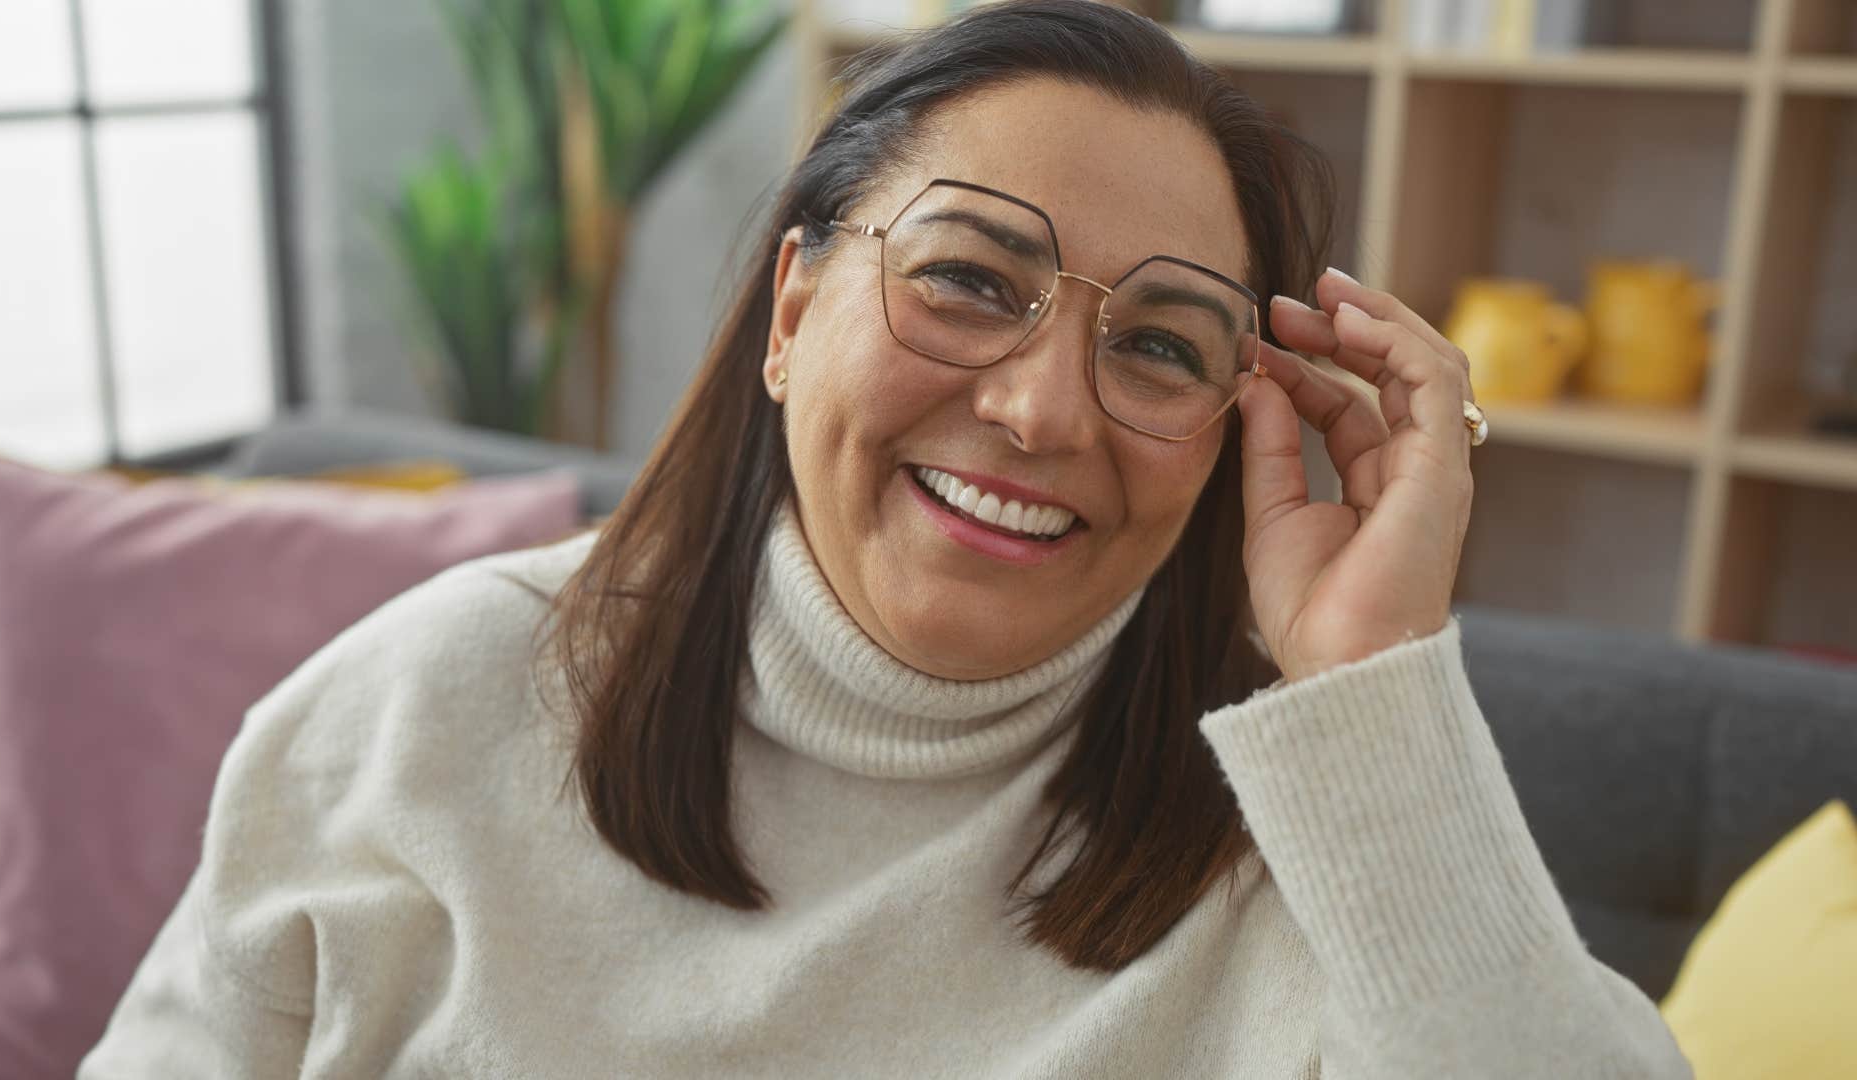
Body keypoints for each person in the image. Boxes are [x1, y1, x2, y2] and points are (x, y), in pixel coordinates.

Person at [82, 1, 1691, 1076]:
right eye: (971, 279)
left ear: (1228, 438)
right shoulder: (420, 705)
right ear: (794, 309)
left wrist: (1376, 681)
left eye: (1159, 346)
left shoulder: (1306, 842)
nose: (1043, 410)